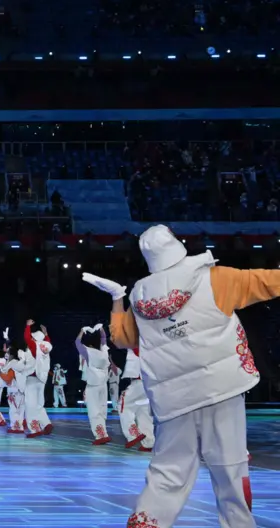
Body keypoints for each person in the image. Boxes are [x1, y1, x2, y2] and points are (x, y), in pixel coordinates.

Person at [86, 224, 280, 528]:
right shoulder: (215, 278)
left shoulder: (138, 296)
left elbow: (122, 338)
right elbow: (271, 282)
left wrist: (117, 297)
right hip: (221, 389)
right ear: (177, 244)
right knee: (229, 468)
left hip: (173, 401)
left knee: (167, 472)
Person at [76, 324, 112, 445]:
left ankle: (100, 436)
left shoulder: (89, 352)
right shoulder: (104, 352)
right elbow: (103, 339)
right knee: (102, 410)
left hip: (93, 385)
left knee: (94, 411)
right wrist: (101, 329)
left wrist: (81, 331)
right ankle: (105, 434)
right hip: (103, 384)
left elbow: (77, 343)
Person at [118, 347, 155, 451]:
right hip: (148, 383)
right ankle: (149, 442)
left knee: (123, 406)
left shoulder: (139, 345)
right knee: (143, 412)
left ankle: (132, 434)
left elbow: (134, 346)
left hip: (138, 382)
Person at [23, 320, 53, 437]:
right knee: (39, 404)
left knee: (30, 405)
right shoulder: (47, 347)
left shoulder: (34, 347)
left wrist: (27, 326)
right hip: (42, 379)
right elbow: (48, 341)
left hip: (32, 378)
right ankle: (46, 424)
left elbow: (26, 338)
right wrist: (46, 334)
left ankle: (35, 429)